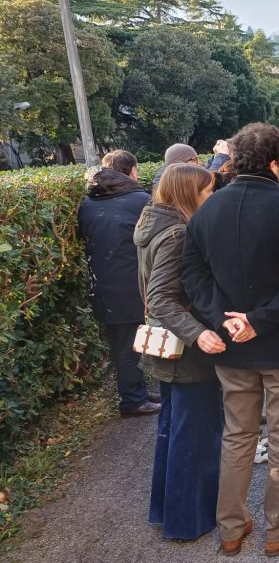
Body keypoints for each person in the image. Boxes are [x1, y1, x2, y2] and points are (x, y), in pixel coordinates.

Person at [181, 122, 279, 558]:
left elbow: (192, 276)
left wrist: (225, 321)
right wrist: (258, 320)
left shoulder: (207, 210)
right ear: (275, 163)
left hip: (231, 344)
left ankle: (230, 527)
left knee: (237, 435)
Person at [134, 162, 226, 540]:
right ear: (190, 194)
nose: (212, 197)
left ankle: (170, 513)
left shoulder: (155, 224)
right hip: (187, 353)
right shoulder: (177, 233)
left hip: (170, 348)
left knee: (174, 432)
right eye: (208, 191)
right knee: (194, 437)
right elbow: (160, 297)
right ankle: (188, 521)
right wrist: (198, 334)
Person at [78, 150, 159, 417]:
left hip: (102, 283)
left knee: (122, 342)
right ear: (132, 171)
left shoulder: (88, 202)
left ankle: (135, 390)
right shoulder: (140, 200)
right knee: (131, 345)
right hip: (131, 282)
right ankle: (132, 400)